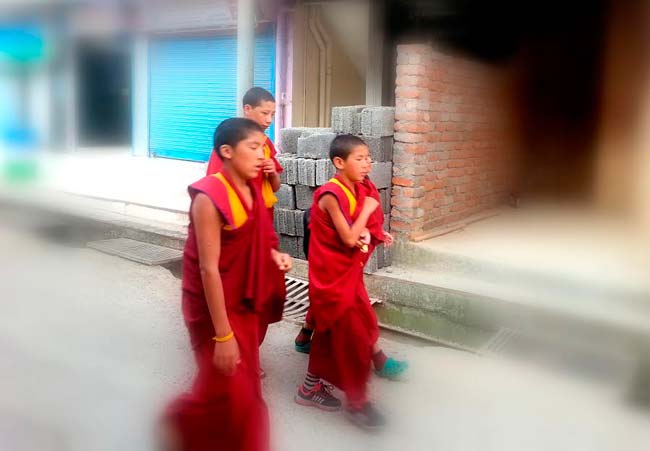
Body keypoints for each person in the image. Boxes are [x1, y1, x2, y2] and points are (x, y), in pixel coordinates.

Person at [162, 118, 292, 451]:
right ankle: (185, 425)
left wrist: (274, 254)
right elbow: (208, 269)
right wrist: (223, 335)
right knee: (231, 388)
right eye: (253, 147)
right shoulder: (210, 196)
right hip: (211, 307)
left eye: (264, 147)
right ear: (227, 151)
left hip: (242, 302)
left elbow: (259, 237)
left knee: (238, 388)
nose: (262, 156)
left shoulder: (252, 188)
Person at [295, 134, 392, 429]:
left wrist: (374, 232)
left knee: (335, 333)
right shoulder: (330, 194)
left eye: (368, 158)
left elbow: (357, 231)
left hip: (347, 276)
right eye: (360, 158)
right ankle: (358, 403)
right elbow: (349, 236)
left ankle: (309, 388)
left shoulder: (356, 188)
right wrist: (366, 213)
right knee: (353, 339)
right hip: (331, 279)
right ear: (339, 162)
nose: (367, 164)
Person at [206, 87, 284, 352]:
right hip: (237, 231)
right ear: (247, 109)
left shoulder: (267, 144)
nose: (269, 119)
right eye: (265, 112)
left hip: (262, 228)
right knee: (236, 294)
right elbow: (217, 191)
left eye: (273, 114)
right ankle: (229, 344)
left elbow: (274, 186)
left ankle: (249, 350)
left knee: (258, 294)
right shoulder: (229, 144)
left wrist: (272, 172)